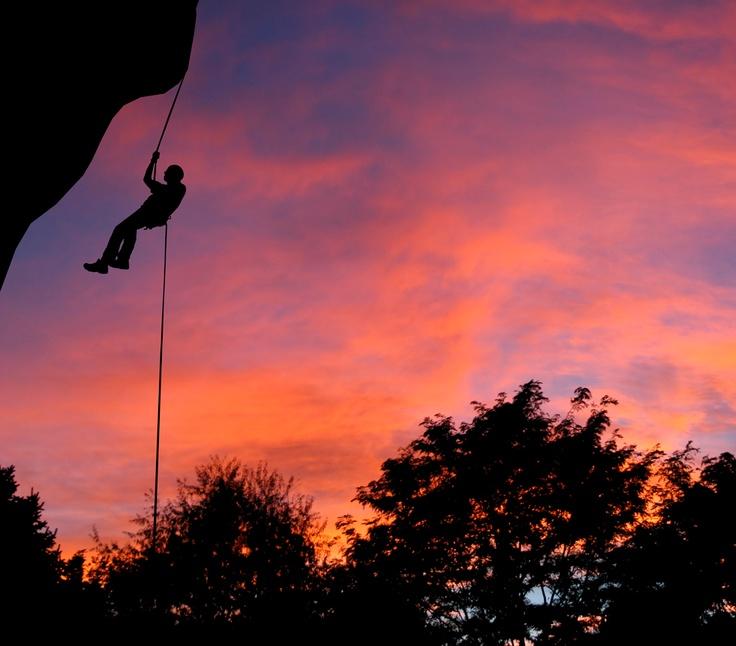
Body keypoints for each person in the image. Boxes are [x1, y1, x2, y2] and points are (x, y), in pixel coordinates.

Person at [84, 151, 186, 274]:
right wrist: (153, 161)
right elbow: (147, 179)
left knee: (121, 229)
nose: (164, 173)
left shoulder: (179, 188)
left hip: (150, 214)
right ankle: (119, 261)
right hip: (148, 213)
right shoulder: (165, 188)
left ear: (174, 175)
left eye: (167, 171)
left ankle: (111, 262)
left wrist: (157, 188)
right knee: (129, 229)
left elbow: (168, 196)